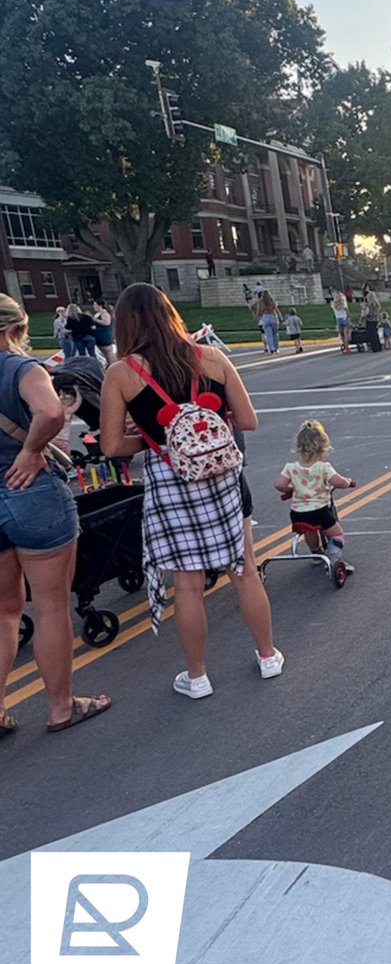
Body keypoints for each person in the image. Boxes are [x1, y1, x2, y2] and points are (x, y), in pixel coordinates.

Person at [99, 282, 282, 699]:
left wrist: (156, 440)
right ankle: (268, 656)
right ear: (170, 315)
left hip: (171, 485)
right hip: (224, 480)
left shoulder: (122, 374)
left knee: (187, 586)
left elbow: (110, 446)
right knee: (244, 570)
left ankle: (197, 677)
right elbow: (248, 421)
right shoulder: (212, 358)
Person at [0, 294, 112, 736]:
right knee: (50, 607)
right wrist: (30, 451)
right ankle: (61, 706)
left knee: (4, 611)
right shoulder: (19, 368)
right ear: (14, 329)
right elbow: (49, 411)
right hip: (29, 490)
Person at [274, 419, 355, 564]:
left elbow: (279, 484)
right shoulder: (323, 467)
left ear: (299, 447)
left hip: (297, 513)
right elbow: (338, 482)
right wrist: (347, 482)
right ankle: (334, 558)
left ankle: (315, 552)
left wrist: (291, 488)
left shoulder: (291, 467)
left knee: (309, 529)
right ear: (323, 449)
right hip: (319, 511)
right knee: (337, 534)